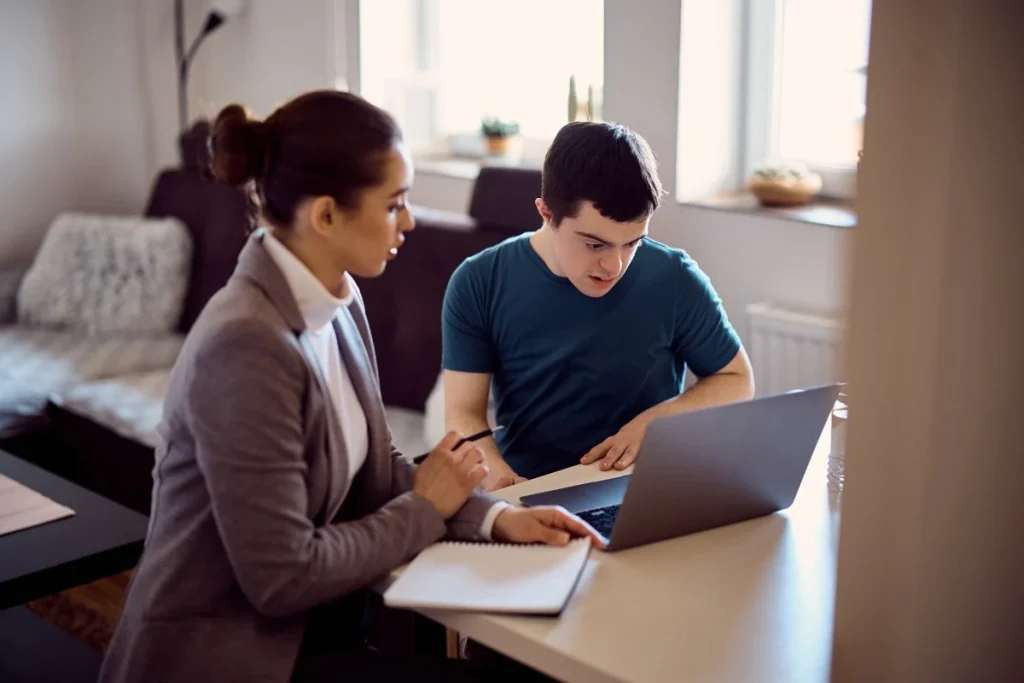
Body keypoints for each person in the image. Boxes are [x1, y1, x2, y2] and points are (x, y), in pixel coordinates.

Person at [98, 91, 602, 683]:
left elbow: (379, 471)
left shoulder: (337, 297)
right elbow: (281, 578)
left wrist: (496, 520)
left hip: (321, 634)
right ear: (326, 215)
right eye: (395, 204)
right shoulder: (245, 345)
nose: (409, 221)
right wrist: (425, 507)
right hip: (234, 657)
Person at [442, 121, 755, 490]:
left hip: (644, 484)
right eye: (595, 245)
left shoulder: (675, 276)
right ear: (546, 213)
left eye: (633, 243)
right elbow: (463, 411)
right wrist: (502, 478)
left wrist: (655, 422)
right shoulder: (479, 281)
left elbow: (736, 379)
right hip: (532, 485)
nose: (615, 266)